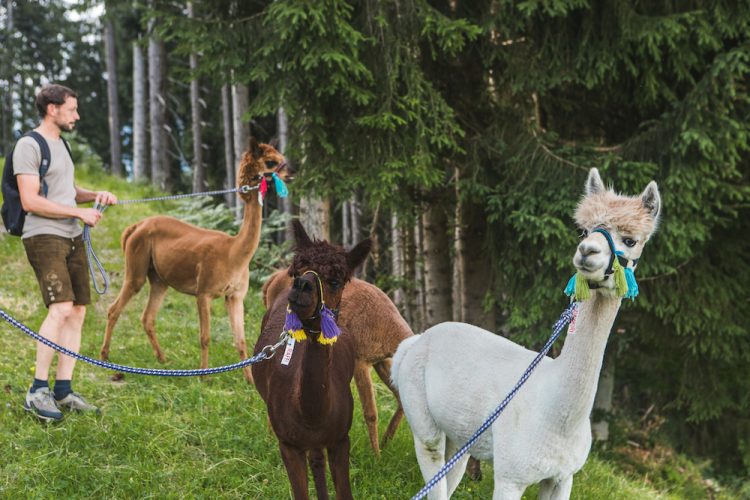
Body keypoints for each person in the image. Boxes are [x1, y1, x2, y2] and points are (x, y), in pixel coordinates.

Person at [14, 84, 117, 421]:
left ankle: (63, 389)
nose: (77, 115)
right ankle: (37, 390)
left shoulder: (61, 145)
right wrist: (78, 213)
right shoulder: (29, 145)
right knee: (60, 308)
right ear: (52, 109)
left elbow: (66, 191)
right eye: (71, 109)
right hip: (44, 235)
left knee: (78, 311)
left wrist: (94, 195)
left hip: (73, 237)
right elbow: (30, 200)